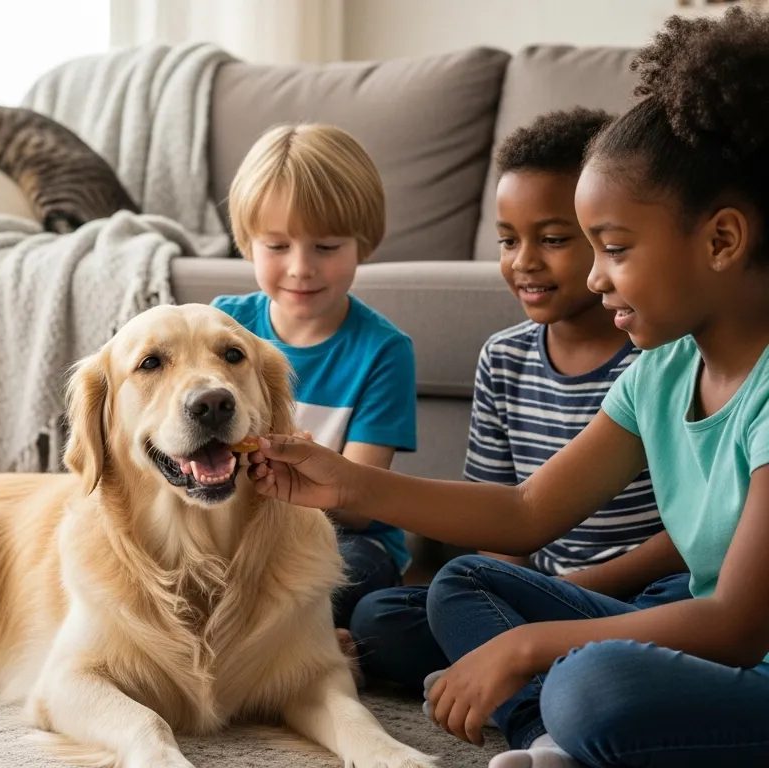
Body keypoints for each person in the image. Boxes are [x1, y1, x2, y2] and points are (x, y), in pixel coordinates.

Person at [246, 9, 769, 766]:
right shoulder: (662, 369)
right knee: (461, 581)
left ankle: (567, 719)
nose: (595, 279)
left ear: (721, 240)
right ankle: (550, 740)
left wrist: (528, 646)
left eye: (614, 249)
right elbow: (526, 513)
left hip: (738, 648)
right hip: (713, 652)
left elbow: (736, 624)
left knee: (593, 686)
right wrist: (345, 485)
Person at [347, 108, 690, 695]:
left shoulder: (662, 358)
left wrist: (578, 591)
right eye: (507, 240)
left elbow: (690, 536)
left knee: (664, 617)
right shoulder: (503, 357)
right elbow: (502, 517)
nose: (523, 261)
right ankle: (539, 671)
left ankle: (536, 681)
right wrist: (505, 598)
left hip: (644, 592)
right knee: (383, 620)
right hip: (545, 593)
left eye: (553, 240)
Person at [210, 123, 418, 633]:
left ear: (363, 243)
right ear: (246, 243)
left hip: (344, 534)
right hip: (239, 520)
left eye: (326, 246)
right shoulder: (222, 327)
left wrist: (294, 467)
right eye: (277, 246)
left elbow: (361, 508)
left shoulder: (384, 351)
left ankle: (298, 639)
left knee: (355, 574)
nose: (301, 268)